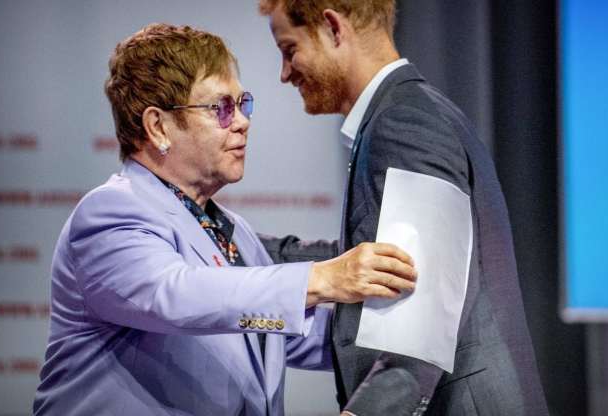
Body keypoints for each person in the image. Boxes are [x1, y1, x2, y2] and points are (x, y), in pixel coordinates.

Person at [32, 23, 418, 416]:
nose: (242, 122)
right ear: (157, 126)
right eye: (220, 108)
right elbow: (175, 295)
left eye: (242, 103)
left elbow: (285, 334)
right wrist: (322, 278)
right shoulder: (110, 213)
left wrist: (402, 327)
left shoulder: (231, 232)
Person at [258, 1, 548, 415]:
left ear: (332, 28)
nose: (285, 73)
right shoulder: (405, 113)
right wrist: (238, 249)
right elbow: (373, 264)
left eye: (289, 50)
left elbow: (417, 334)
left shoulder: (404, 123)